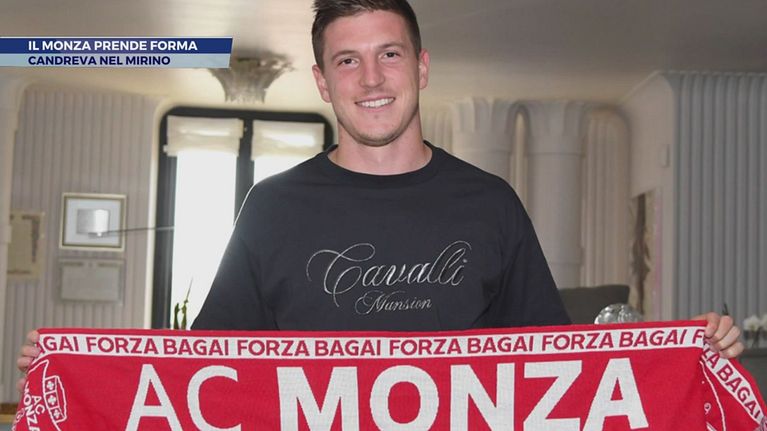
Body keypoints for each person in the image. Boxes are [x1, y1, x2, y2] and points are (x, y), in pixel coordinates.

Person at [17, 0, 743, 392]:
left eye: (388, 54)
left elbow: (562, 367)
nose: (370, 79)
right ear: (322, 81)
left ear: (420, 67)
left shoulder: (489, 203)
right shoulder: (272, 208)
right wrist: (80, 365)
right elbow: (203, 364)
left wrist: (689, 350)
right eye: (347, 60)